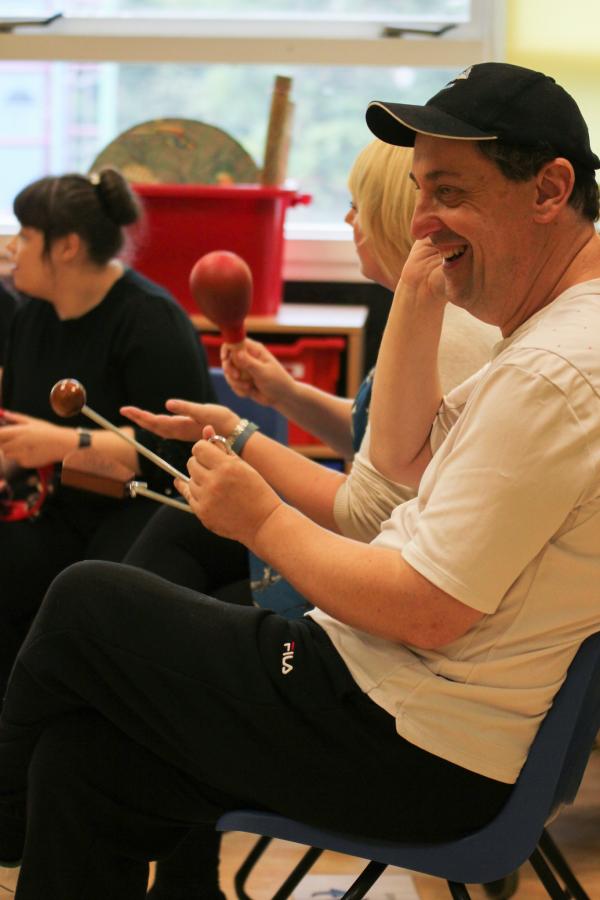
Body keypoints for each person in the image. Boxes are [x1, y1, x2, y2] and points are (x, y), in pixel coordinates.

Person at [0, 61, 599, 900]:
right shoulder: (541, 339)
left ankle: (0, 829)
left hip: (411, 742)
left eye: (452, 193)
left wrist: (259, 520)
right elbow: (392, 495)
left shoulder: (554, 370)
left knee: (88, 601)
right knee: (85, 764)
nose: (424, 220)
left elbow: (426, 608)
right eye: (420, 192)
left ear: (551, 189)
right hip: (396, 711)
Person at [121, 139, 498, 899]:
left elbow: (365, 507)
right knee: (170, 551)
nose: (351, 220)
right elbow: (378, 448)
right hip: (373, 595)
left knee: (149, 627)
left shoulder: (446, 327)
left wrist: (242, 437)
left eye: (360, 206)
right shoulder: (423, 314)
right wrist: (282, 394)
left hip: (362, 609)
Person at [0, 167, 215, 695]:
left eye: (26, 236)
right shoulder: (33, 318)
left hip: (146, 509)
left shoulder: (150, 320)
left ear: (67, 246)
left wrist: (63, 442)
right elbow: (18, 429)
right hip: (59, 503)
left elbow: (178, 448)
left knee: (86, 598)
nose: (13, 247)